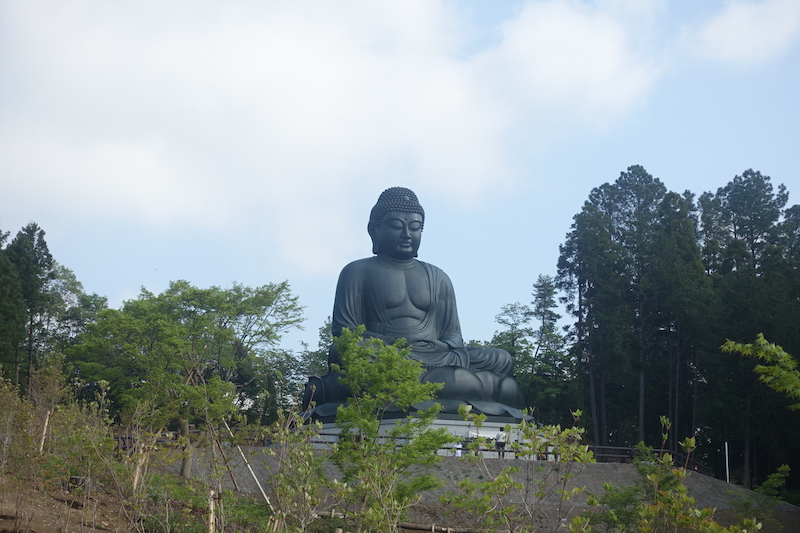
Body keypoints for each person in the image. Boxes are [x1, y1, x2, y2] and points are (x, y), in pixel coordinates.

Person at [305, 187, 523, 415]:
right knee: (349, 351)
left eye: (415, 227)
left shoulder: (439, 277)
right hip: (385, 357)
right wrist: (395, 347)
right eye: (397, 226)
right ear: (374, 230)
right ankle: (450, 385)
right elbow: (345, 334)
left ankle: (437, 381)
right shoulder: (357, 271)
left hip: (435, 355)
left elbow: (453, 335)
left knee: (500, 358)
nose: (407, 234)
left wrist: (444, 346)